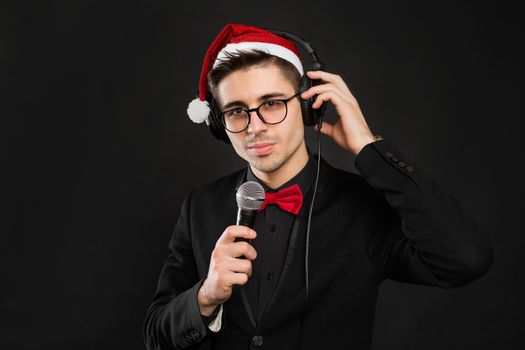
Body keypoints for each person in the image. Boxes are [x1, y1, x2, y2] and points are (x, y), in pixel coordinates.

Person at [143, 23, 493, 350]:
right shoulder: (200, 206)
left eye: (272, 104)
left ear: (309, 106)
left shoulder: (364, 205)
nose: (255, 127)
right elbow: (155, 334)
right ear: (220, 124)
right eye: (237, 111)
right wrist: (204, 298)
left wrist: (368, 147)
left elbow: (465, 259)